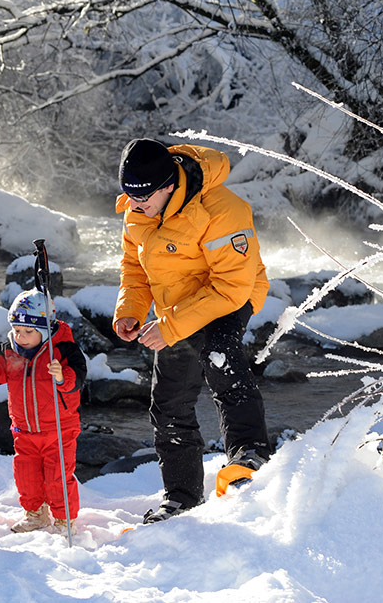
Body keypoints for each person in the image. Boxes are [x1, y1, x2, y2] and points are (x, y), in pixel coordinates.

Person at [112, 138, 271, 524]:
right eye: (129, 196)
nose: (134, 205)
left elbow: (230, 287)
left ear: (169, 186)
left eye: (144, 197)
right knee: (168, 401)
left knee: (219, 355)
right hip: (177, 307)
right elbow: (134, 269)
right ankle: (182, 497)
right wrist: (130, 311)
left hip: (229, 297)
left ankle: (249, 454)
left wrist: (169, 327)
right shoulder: (137, 210)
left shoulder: (223, 210)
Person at [0, 288, 87, 534]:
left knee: (57, 478)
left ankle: (64, 520)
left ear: (45, 330)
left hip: (58, 429)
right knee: (25, 475)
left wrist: (62, 377)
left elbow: (78, 379)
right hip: (23, 429)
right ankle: (35, 513)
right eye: (17, 330)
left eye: (28, 332)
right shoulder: (9, 351)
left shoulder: (63, 350)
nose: (21, 337)